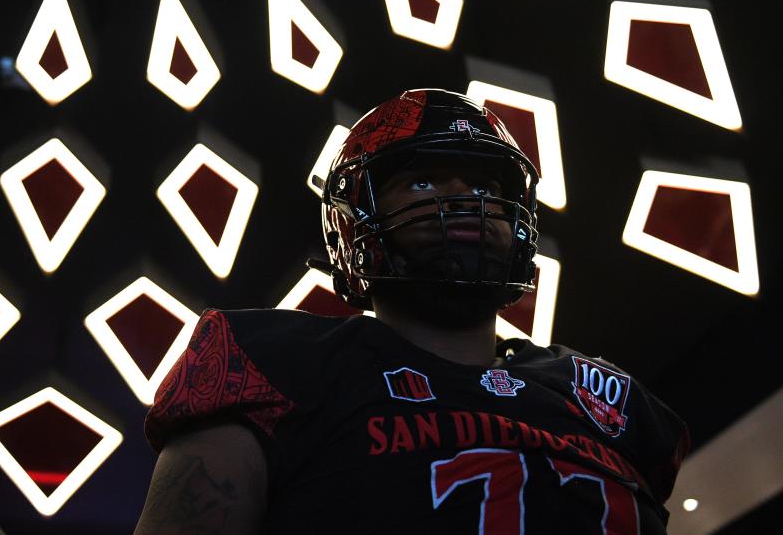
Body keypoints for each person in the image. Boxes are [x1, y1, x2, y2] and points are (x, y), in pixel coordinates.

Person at [134, 89, 690, 534]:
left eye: (487, 185)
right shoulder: (274, 363)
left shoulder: (607, 397)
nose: (465, 198)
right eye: (421, 179)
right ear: (354, 227)